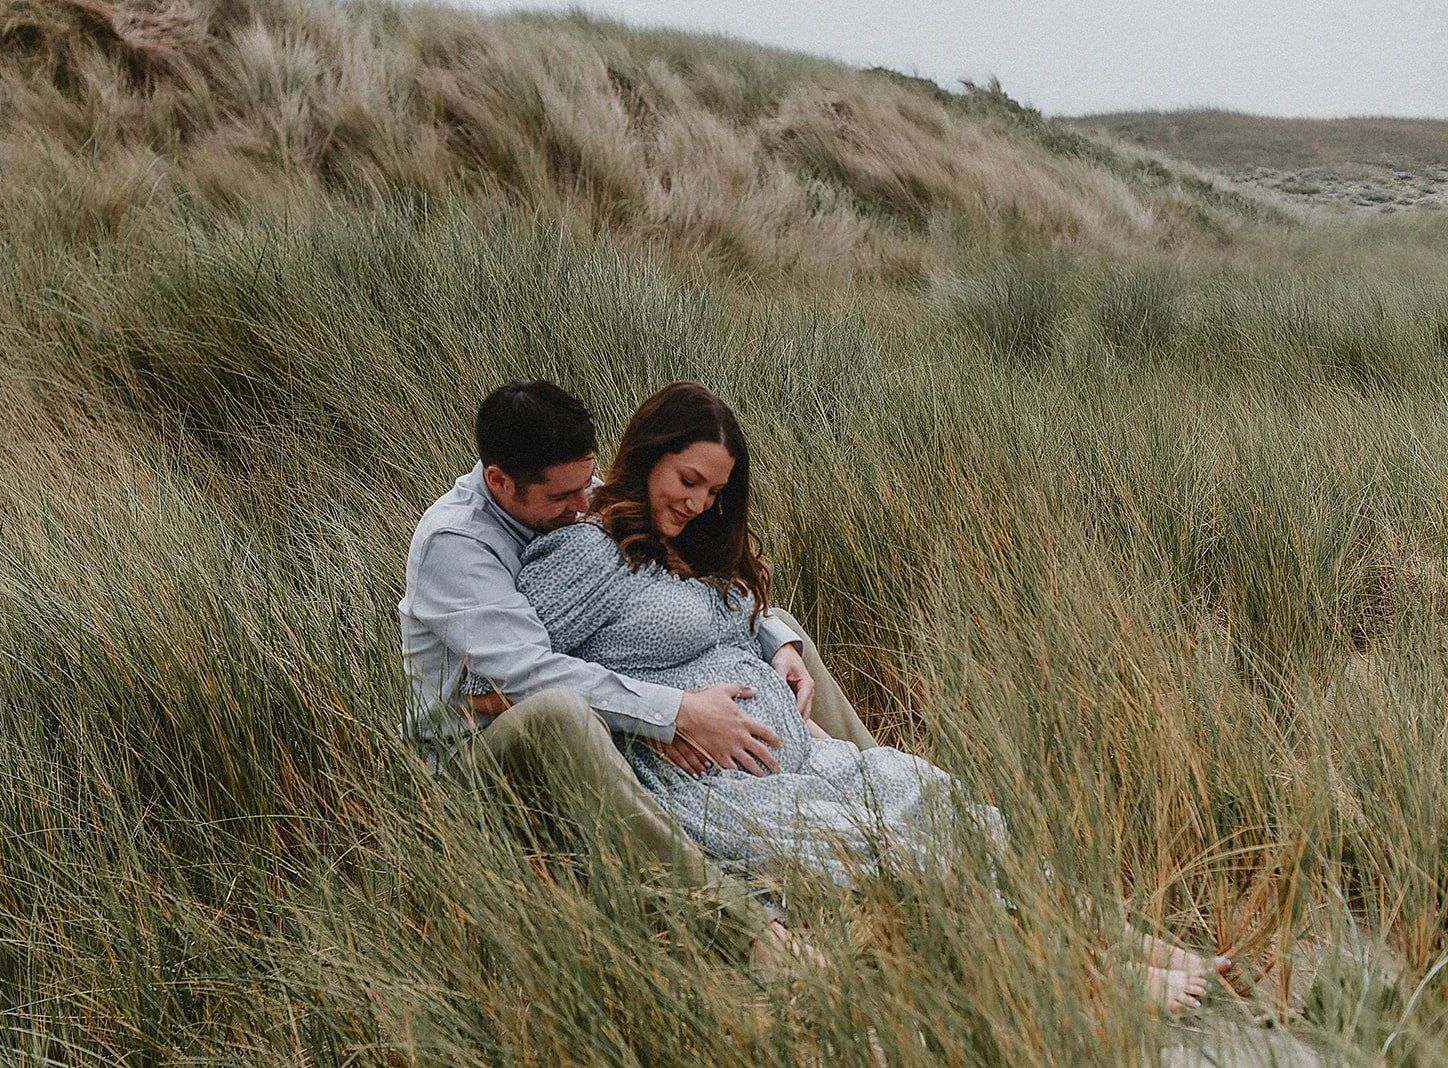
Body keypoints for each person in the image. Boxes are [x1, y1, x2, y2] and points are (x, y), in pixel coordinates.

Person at [508, 380, 1228, 1013]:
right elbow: (518, 679)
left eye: (715, 493)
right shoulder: (586, 552)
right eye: (688, 480)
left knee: (938, 798)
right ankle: (1083, 976)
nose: (698, 504)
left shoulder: (688, 545)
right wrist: (661, 720)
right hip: (701, 787)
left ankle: (1110, 935)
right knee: (886, 851)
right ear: (649, 454)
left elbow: (737, 620)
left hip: (793, 760)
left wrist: (779, 649)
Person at [398, 380, 873, 968]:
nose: (583, 506)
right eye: (564, 497)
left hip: (599, 707)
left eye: (587, 482)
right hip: (482, 754)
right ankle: (748, 933)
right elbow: (521, 682)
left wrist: (777, 641)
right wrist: (674, 713)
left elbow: (681, 582)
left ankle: (872, 789)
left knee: (786, 637)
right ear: (499, 481)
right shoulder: (456, 545)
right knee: (560, 713)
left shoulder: (578, 494)